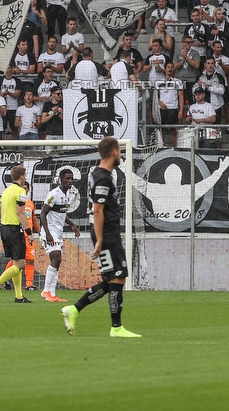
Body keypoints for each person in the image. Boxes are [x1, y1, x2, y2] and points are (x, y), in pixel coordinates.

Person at [61, 137, 140, 338]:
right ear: (114, 152)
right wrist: (101, 240)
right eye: (120, 151)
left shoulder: (96, 174)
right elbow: (97, 210)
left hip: (103, 231)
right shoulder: (103, 177)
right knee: (119, 276)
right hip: (106, 232)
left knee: (111, 278)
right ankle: (116, 327)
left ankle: (75, 309)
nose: (121, 154)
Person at [0, 165, 33, 303]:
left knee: (16, 262)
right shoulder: (20, 191)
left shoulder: (6, 191)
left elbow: (0, 212)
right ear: (21, 177)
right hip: (14, 229)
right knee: (21, 264)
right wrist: (28, 232)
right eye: (24, 175)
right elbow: (21, 213)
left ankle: (18, 296)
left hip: (4, 228)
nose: (25, 177)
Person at [40, 169, 81, 303]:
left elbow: (62, 214)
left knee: (57, 261)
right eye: (67, 178)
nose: (70, 181)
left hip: (58, 232)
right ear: (61, 179)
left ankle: (52, 294)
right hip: (50, 231)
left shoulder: (67, 194)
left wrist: (72, 225)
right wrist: (47, 233)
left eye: (71, 179)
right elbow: (43, 214)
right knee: (56, 257)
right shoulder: (54, 194)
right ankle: (46, 291)